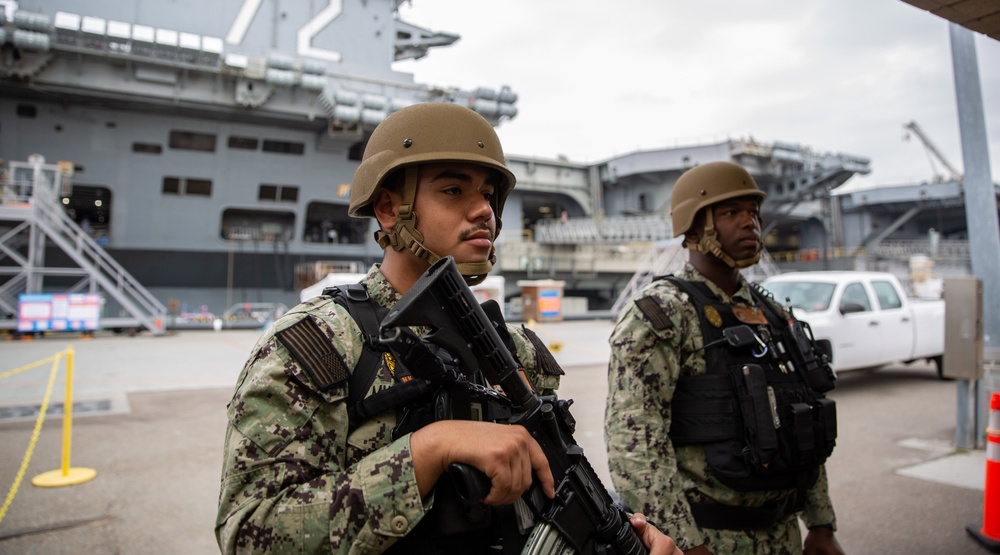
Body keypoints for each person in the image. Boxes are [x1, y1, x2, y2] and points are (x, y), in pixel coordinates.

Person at [216, 102, 680, 554]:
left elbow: (551, 492)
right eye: (454, 191)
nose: (484, 211)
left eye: (489, 194)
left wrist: (621, 531)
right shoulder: (322, 343)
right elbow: (250, 531)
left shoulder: (516, 350)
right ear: (387, 209)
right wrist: (428, 451)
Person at [604, 161, 845, 555]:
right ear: (695, 227)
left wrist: (821, 524)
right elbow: (636, 444)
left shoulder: (774, 315)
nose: (750, 223)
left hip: (783, 535)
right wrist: (686, 544)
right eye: (732, 212)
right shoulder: (663, 314)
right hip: (710, 538)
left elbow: (804, 419)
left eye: (753, 212)